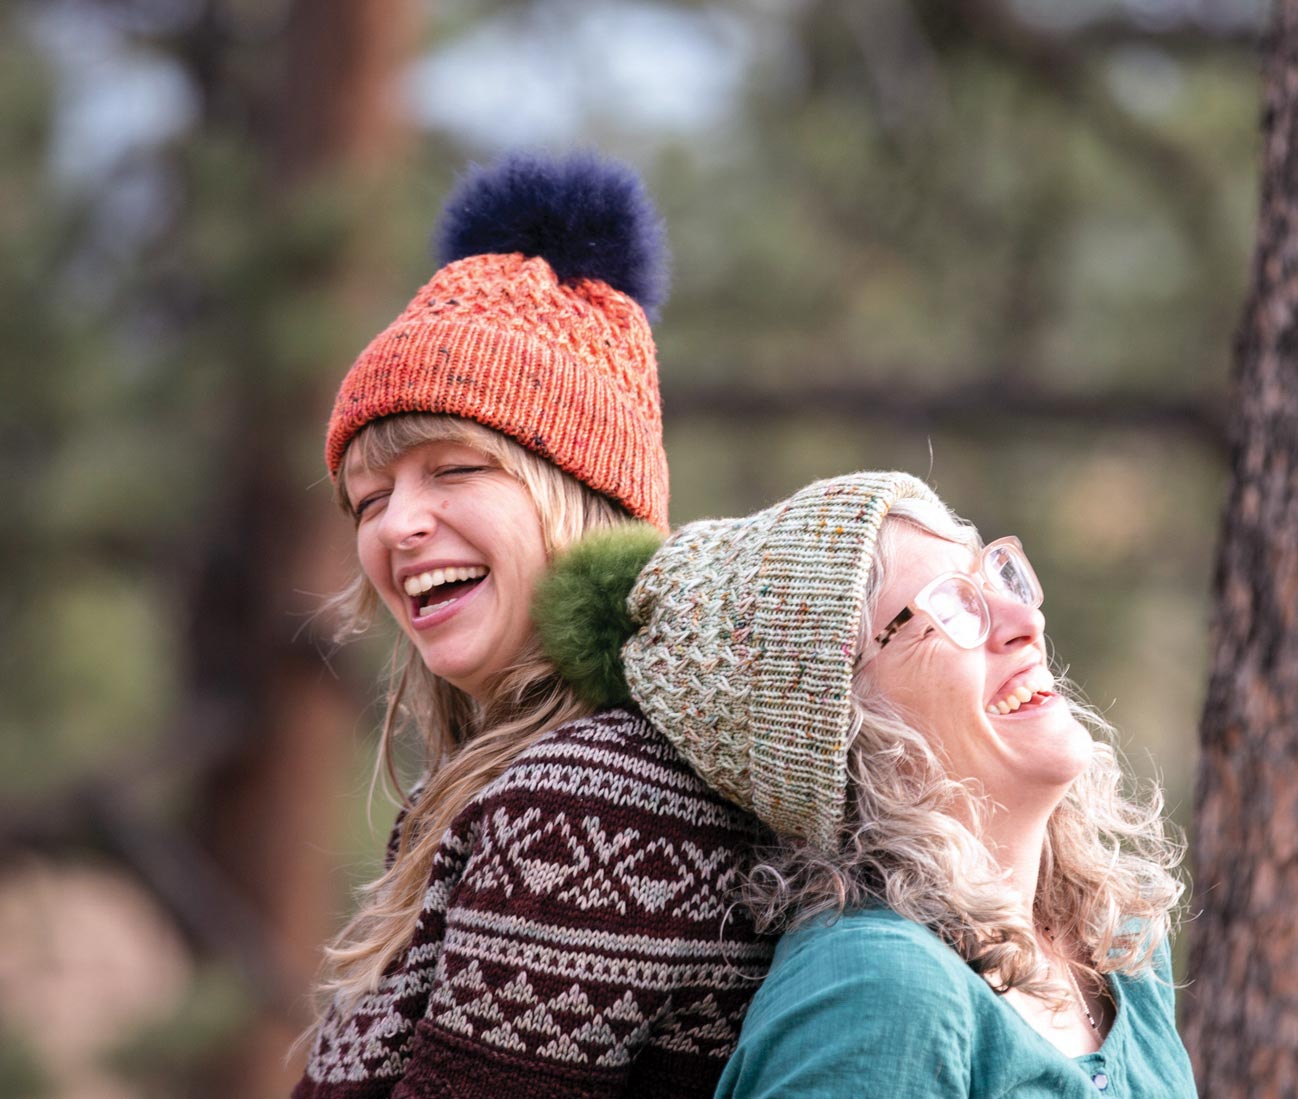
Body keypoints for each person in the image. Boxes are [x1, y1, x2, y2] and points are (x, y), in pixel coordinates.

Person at [293, 152, 772, 1099]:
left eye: (456, 469)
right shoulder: (524, 781)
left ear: (584, 497)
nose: (397, 525)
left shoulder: (591, 801)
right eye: (367, 498)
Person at [539, 471, 1194, 1098]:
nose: (1025, 619)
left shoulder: (1120, 941)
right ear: (847, 723)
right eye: (951, 606)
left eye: (995, 575)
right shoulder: (879, 989)